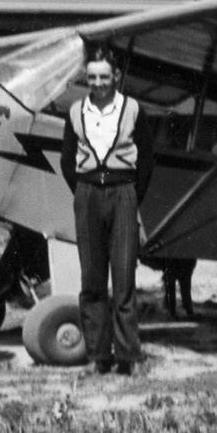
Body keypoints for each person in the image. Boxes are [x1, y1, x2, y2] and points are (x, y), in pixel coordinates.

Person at [61, 47, 155, 375]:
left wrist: (130, 196)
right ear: (85, 78)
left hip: (123, 193)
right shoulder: (75, 111)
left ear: (116, 76)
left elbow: (146, 160)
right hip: (87, 194)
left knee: (124, 278)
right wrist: (85, 192)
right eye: (92, 77)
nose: (98, 83)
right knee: (92, 280)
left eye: (104, 76)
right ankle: (98, 356)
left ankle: (129, 357)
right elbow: (67, 160)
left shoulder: (132, 109)